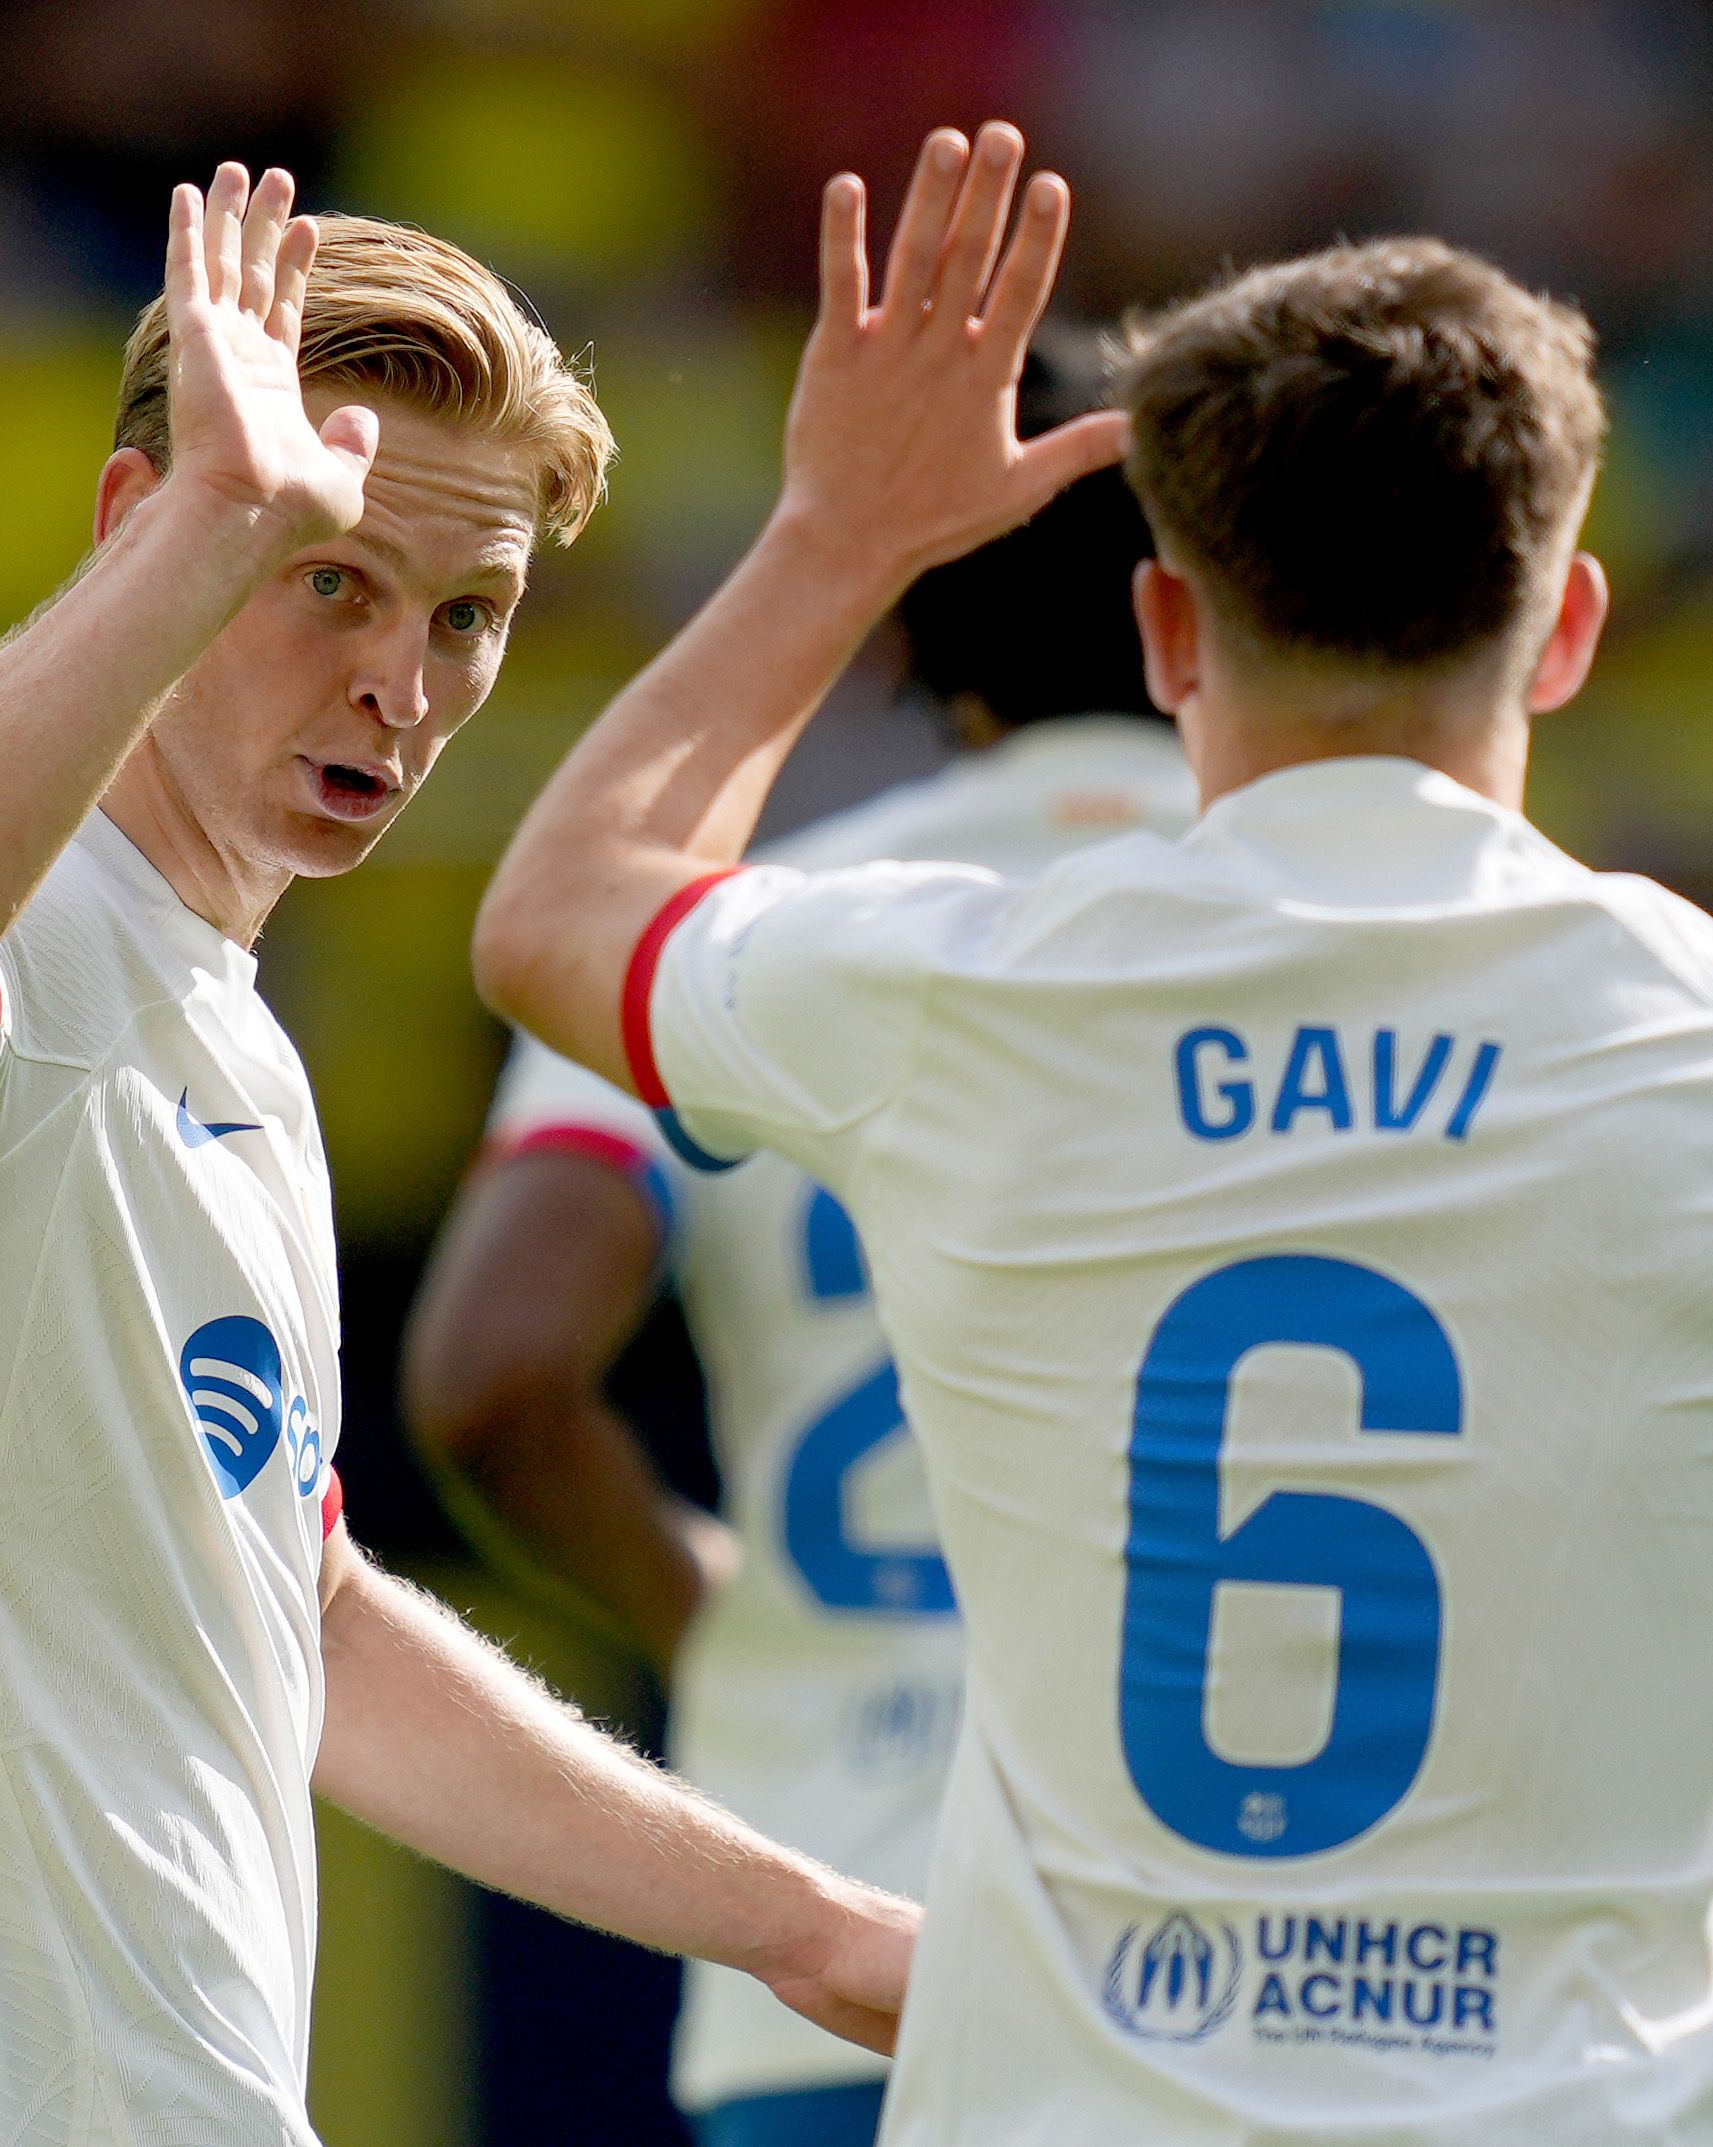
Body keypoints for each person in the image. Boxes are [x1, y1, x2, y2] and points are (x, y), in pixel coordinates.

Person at [474, 123, 1713, 2145]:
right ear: (1566, 627)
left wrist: (836, 537)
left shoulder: (965, 1002)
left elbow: (555, 920)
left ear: (1169, 636)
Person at [0, 166, 911, 2147]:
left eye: (467, 615)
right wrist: (224, 523)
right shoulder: (16, 937)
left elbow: (295, 1617)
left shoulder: (228, 1041)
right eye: (334, 579)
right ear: (149, 522)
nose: (405, 682)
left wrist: (804, 1928)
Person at [403, 338, 1191, 2147]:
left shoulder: (741, 942)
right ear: (1206, 615)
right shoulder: (1355, 938)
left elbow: (495, 1374)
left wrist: (722, 1617)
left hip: (844, 1945)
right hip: (1274, 1960)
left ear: (903, 630)